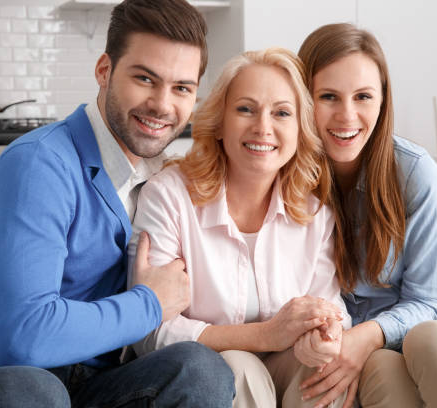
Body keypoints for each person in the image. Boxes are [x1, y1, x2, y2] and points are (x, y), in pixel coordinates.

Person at [0, 1, 235, 407]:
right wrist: (149, 304)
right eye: (145, 78)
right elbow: (22, 337)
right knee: (36, 391)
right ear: (104, 71)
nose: (162, 104)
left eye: (182, 88)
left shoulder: (163, 180)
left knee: (200, 369)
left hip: (92, 383)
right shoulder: (40, 164)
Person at [127, 47, 352, 408]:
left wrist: (323, 336)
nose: (263, 127)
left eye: (281, 113)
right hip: (206, 380)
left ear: (299, 129)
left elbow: (330, 307)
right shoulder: (169, 196)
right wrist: (265, 335)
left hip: (286, 367)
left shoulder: (314, 213)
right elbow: (149, 331)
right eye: (245, 109)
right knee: (239, 366)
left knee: (326, 371)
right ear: (219, 121)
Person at [296, 23, 437, 408]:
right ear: (304, 99)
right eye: (328, 96)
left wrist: (367, 335)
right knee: (383, 368)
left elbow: (428, 301)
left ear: (383, 101)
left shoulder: (414, 174)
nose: (347, 115)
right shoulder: (289, 182)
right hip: (364, 352)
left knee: (427, 336)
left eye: (363, 97)